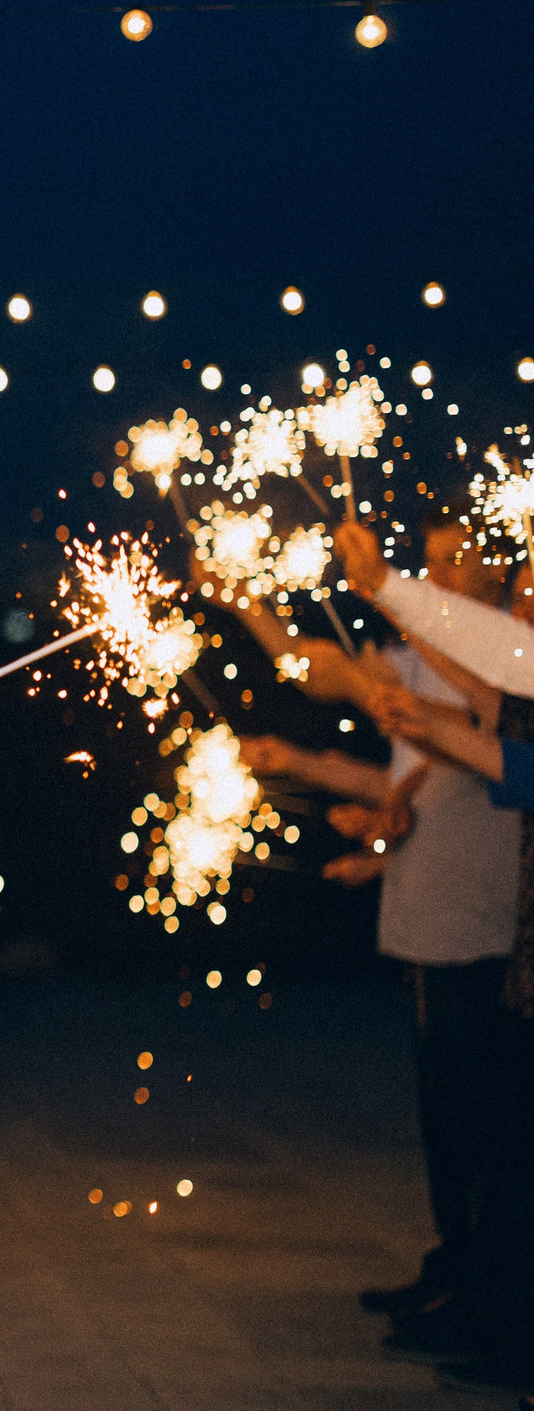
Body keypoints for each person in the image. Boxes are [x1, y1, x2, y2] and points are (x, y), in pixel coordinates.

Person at [213, 520, 523, 1329]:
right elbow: (330, 677)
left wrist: (406, 746)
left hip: (485, 927)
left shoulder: (506, 669)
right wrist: (245, 604)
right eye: (433, 562)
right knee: (450, 1120)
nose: (443, 572)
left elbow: (486, 760)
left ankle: (487, 1289)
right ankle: (460, 1267)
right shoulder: (425, 658)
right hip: (429, 919)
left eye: (461, 559)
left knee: (488, 1123)